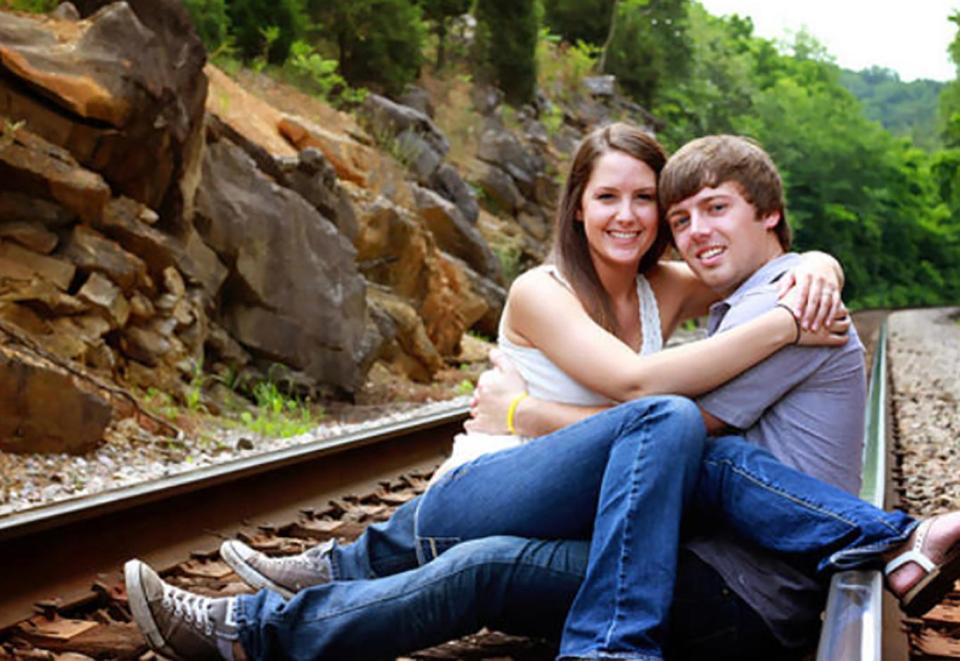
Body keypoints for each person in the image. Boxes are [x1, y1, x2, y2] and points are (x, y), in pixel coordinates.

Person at [123, 130, 960, 660]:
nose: (692, 229)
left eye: (717, 210)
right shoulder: (732, 300)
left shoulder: (787, 307)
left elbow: (655, 417)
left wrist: (815, 273)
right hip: (695, 550)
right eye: (685, 217)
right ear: (579, 207)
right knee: (634, 453)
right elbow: (650, 423)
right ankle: (892, 539)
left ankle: (251, 630)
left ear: (773, 218)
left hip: (745, 586)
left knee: (645, 449)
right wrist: (814, 265)